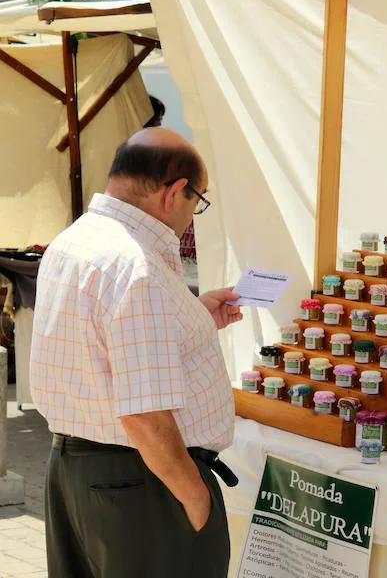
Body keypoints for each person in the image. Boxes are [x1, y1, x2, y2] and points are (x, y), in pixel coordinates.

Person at [30, 128, 242, 577]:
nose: (192, 215)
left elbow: (101, 349)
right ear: (175, 192)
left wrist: (195, 314)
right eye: (197, 202)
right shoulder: (136, 265)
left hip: (77, 471)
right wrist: (195, 497)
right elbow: (144, 415)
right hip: (145, 482)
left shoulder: (75, 241)